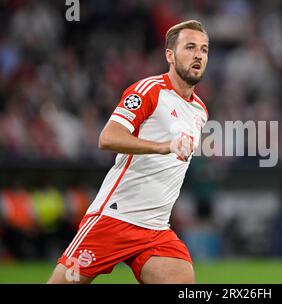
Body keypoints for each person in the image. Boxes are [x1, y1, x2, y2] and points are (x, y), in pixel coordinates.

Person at [47, 20, 209, 284]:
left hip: (156, 230)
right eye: (190, 47)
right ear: (170, 55)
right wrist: (163, 147)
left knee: (182, 281)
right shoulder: (148, 91)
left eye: (203, 49)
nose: (198, 55)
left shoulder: (200, 110)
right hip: (114, 217)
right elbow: (108, 137)